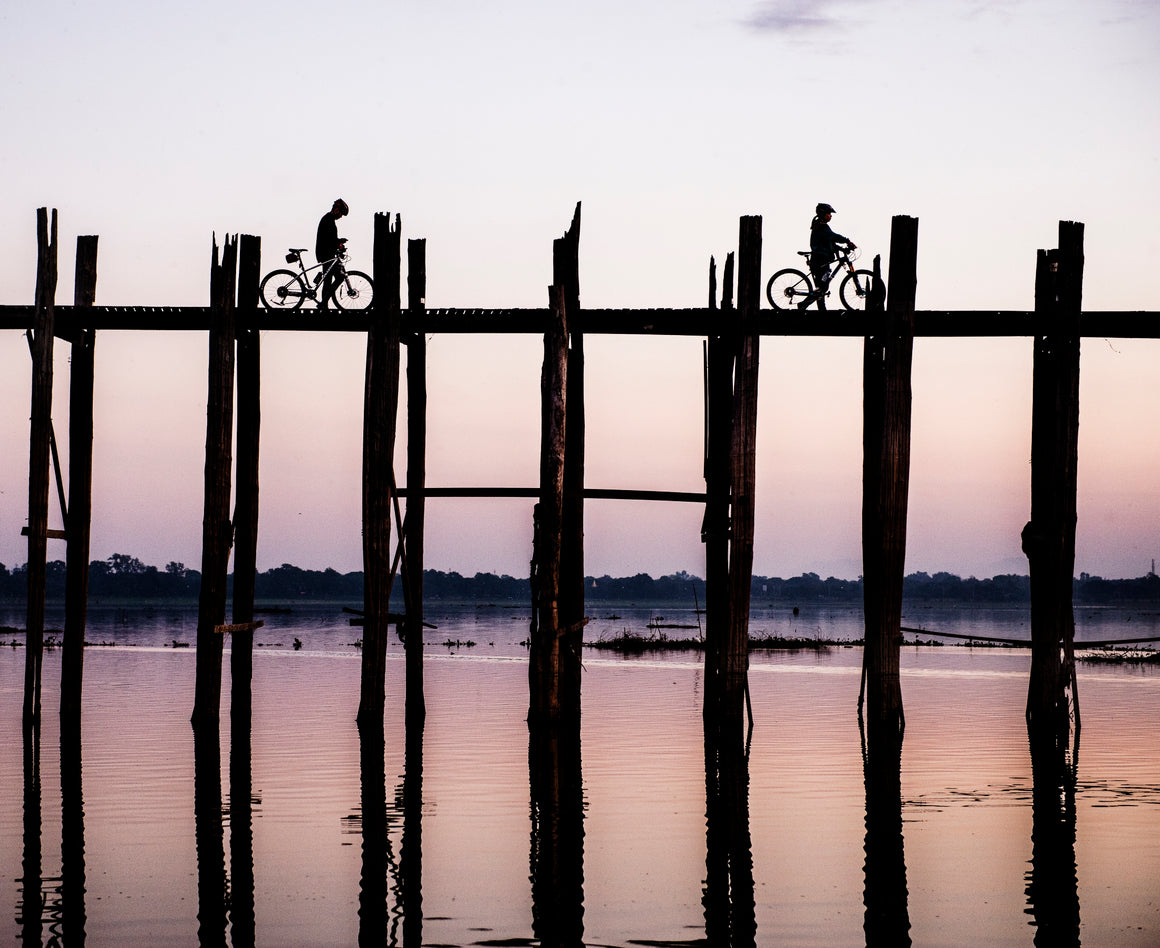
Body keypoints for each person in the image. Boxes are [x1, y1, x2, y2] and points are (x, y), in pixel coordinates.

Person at [803, 202, 856, 310]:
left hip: (821, 258)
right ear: (823, 214)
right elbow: (832, 237)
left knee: (822, 287)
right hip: (819, 259)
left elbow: (830, 242)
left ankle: (817, 308)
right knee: (822, 285)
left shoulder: (820, 225)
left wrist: (841, 249)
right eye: (829, 213)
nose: (830, 216)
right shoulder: (821, 226)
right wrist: (847, 241)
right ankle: (806, 305)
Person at [315, 198, 349, 309]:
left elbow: (330, 239)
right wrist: (339, 242)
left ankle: (323, 303)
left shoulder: (328, 219)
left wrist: (338, 244)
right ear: (336, 210)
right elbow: (329, 240)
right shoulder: (328, 220)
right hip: (326, 253)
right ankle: (323, 303)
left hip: (326, 253)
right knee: (337, 278)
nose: (341, 217)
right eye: (341, 214)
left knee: (329, 279)